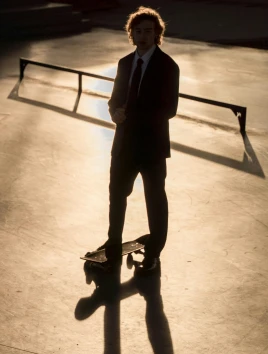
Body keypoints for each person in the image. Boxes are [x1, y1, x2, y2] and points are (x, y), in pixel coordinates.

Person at [102, 7, 180, 273]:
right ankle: (112, 243)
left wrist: (133, 117)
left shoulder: (168, 66)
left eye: (149, 31)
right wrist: (114, 112)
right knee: (117, 194)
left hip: (152, 147)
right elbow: (114, 99)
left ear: (157, 34)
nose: (143, 36)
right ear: (131, 34)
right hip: (124, 143)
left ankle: (155, 251)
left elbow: (169, 109)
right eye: (138, 31)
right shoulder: (125, 63)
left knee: (154, 199)